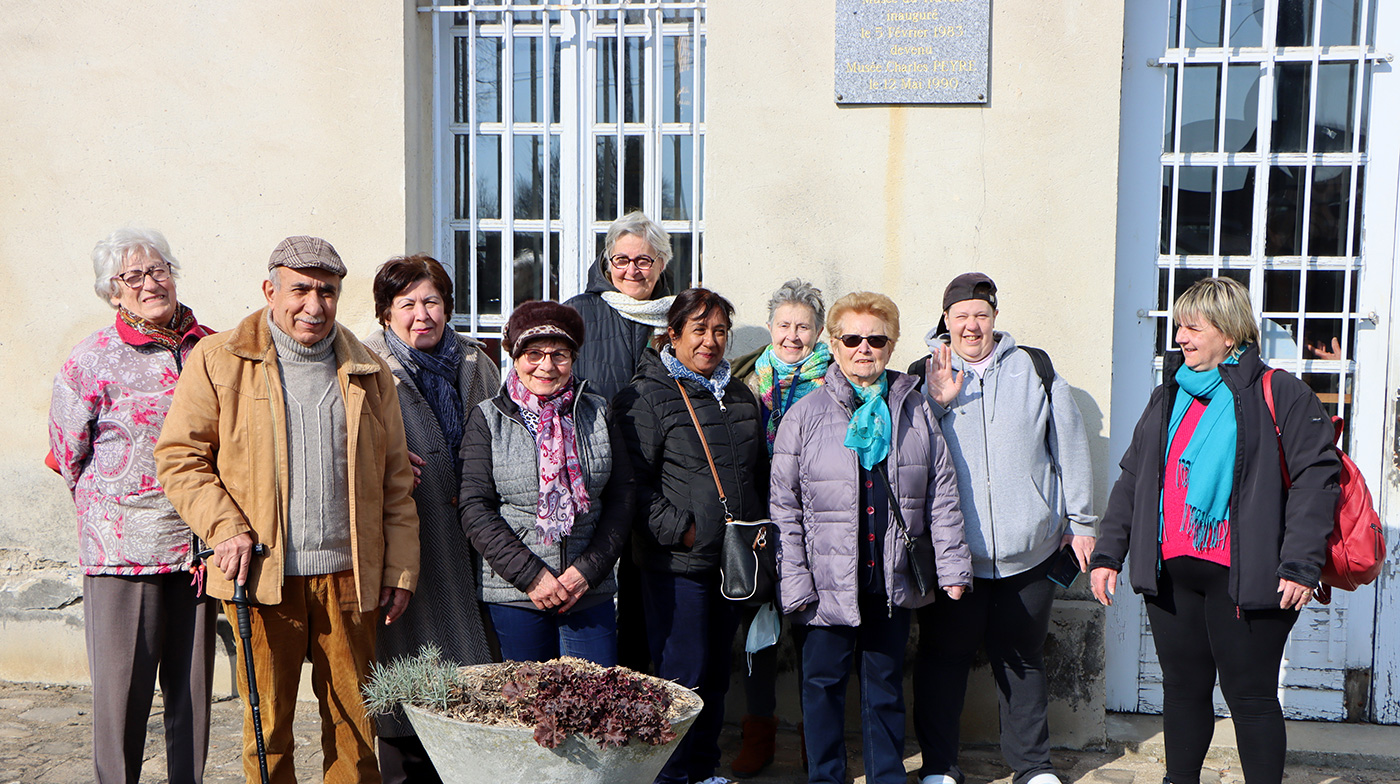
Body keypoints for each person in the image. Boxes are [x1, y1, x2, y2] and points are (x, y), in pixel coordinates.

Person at [155, 236, 420, 784]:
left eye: (327, 291)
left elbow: (396, 479)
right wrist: (224, 527)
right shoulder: (219, 360)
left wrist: (399, 569)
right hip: (261, 577)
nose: (314, 305)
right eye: (300, 289)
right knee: (267, 731)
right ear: (270, 291)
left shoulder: (369, 369)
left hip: (351, 577)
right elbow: (180, 459)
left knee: (355, 733)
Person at [1090, 277, 1339, 784]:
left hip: (1246, 577)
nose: (1181, 336)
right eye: (1178, 325)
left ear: (1228, 332)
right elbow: (1135, 479)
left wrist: (1300, 565)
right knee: (1182, 689)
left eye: (1193, 326)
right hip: (1173, 574)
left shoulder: (1280, 393)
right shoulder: (1169, 396)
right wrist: (1108, 554)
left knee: (1249, 697)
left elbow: (1318, 479)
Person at [771, 292, 972, 784]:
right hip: (825, 583)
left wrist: (952, 569)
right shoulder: (805, 416)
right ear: (834, 345)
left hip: (890, 577)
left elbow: (941, 494)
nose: (864, 348)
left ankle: (886, 777)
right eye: (852, 338)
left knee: (884, 687)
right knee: (822, 688)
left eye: (876, 338)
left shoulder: (915, 411)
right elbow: (784, 507)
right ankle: (827, 778)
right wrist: (793, 582)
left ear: (891, 345)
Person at [907, 273, 1096, 784]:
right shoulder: (922, 373)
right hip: (953, 554)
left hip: (1028, 553)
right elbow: (909, 453)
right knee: (943, 660)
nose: (972, 326)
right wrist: (938, 402)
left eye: (981, 315)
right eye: (961, 316)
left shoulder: (1033, 368)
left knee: (1022, 659)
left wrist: (1081, 523)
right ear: (945, 320)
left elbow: (1069, 447)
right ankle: (940, 767)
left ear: (994, 317)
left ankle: (1032, 767)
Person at [48, 228, 216, 784]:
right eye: (133, 276)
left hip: (198, 552)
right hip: (122, 553)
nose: (150, 282)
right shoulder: (92, 358)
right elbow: (68, 450)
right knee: (122, 706)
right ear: (112, 293)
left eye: (159, 269)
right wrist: (112, 514)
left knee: (191, 705)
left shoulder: (210, 348)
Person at [613, 288, 767, 784]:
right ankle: (671, 775)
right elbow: (632, 482)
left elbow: (755, 473)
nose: (711, 341)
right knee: (682, 676)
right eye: (698, 330)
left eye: (720, 331)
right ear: (672, 335)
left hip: (733, 562)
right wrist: (682, 532)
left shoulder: (739, 395)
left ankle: (703, 770)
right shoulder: (647, 395)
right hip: (677, 564)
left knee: (718, 675)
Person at [364, 255, 499, 784]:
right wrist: (382, 457)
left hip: (472, 530)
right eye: (407, 304)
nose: (422, 314)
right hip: (407, 533)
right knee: (406, 659)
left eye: (432, 302)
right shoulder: (366, 363)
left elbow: (502, 425)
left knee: (473, 662)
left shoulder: (473, 360)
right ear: (385, 312)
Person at [460, 300, 634, 665]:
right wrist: (532, 576)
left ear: (573, 358)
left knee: (594, 705)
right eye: (534, 353)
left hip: (588, 589)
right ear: (515, 356)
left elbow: (621, 498)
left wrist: (586, 572)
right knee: (527, 709)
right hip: (516, 592)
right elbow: (475, 508)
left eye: (560, 354)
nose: (546, 366)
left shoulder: (598, 411)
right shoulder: (488, 418)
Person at [727, 278, 832, 777]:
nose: (793, 335)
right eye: (784, 324)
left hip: (819, 525)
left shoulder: (837, 378)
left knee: (817, 632)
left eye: (804, 326)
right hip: (758, 525)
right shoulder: (742, 378)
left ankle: (819, 743)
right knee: (759, 631)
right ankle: (759, 733)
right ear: (770, 327)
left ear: (820, 331)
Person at [565, 210, 677, 672]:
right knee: (593, 583)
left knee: (648, 589)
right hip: (597, 471)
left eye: (644, 261)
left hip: (660, 474)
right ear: (607, 262)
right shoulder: (579, 311)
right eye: (622, 259)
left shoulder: (679, 315)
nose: (633, 270)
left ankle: (645, 690)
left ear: (661, 265)